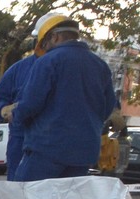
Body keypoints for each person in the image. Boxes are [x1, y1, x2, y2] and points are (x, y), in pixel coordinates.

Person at [10, 14, 118, 182]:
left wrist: (15, 115)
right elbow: (107, 107)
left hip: (47, 149)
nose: (44, 48)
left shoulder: (48, 61)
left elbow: (31, 104)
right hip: (84, 152)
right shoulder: (100, 65)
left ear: (54, 36)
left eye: (44, 43)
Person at [0, 39, 41, 181]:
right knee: (17, 192)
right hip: (22, 140)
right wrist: (4, 110)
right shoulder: (20, 69)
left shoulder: (74, 67)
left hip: (58, 143)